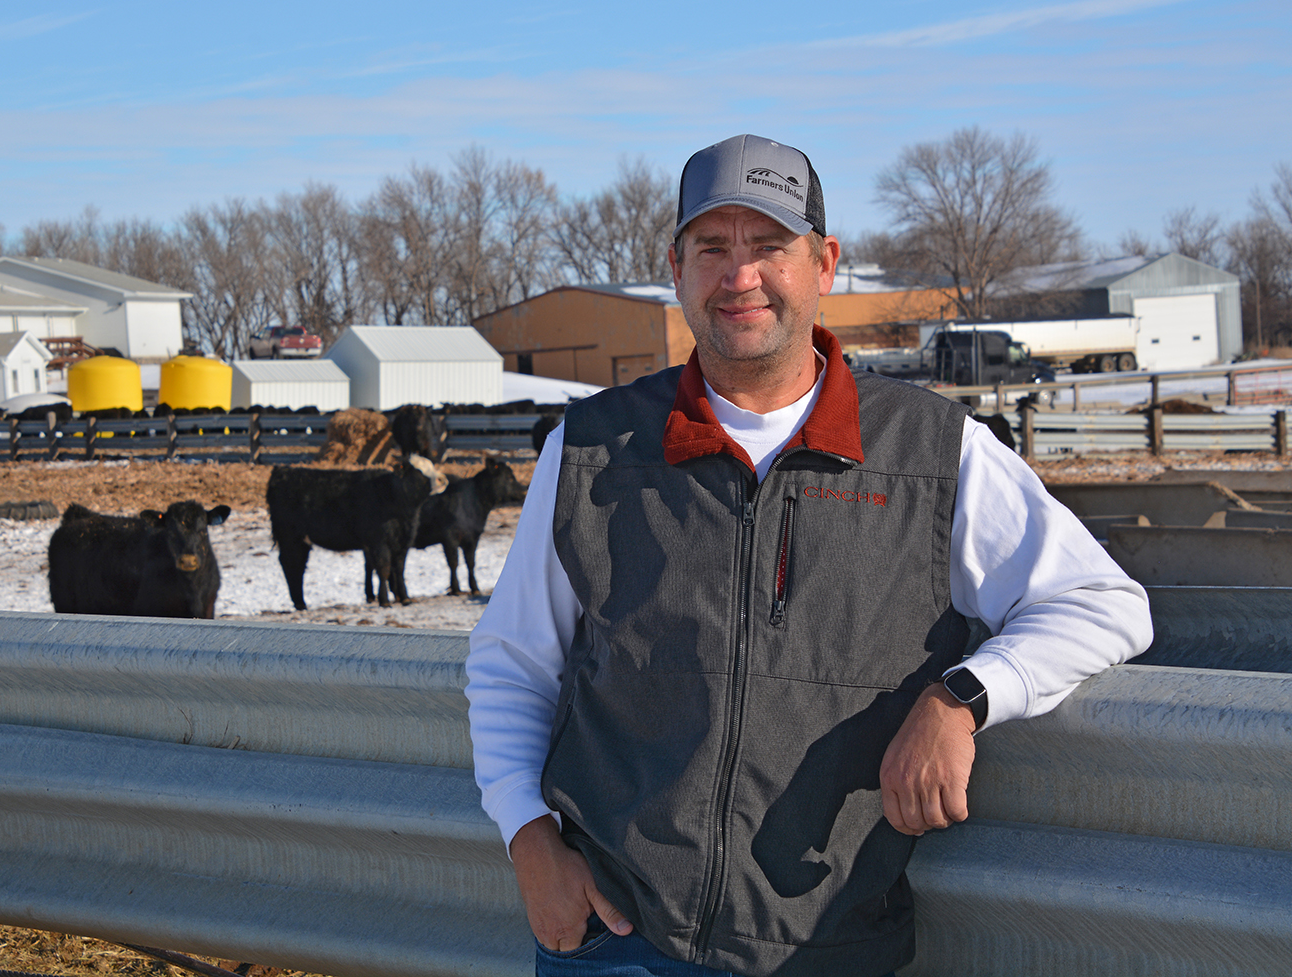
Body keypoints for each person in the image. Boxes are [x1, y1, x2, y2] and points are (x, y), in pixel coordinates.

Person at [465, 134, 1152, 977]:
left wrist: (961, 697)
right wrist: (529, 841)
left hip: (828, 946)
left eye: (770, 247)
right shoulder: (596, 449)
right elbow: (511, 665)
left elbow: (1102, 601)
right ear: (676, 268)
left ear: (823, 263)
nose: (740, 275)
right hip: (620, 940)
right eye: (712, 248)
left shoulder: (932, 453)